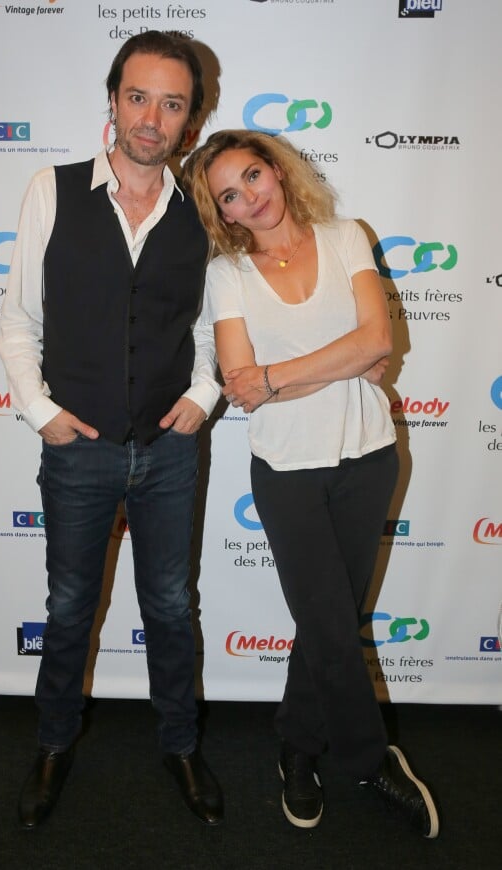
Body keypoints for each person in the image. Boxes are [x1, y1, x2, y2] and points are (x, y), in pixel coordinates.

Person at [182, 129, 439, 838]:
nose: (248, 198)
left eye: (253, 176)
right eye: (228, 195)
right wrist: (335, 361)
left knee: (325, 625)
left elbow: (378, 342)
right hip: (287, 472)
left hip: (369, 458)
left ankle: (297, 747)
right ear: (222, 213)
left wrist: (281, 373)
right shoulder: (227, 274)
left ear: (278, 171)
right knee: (329, 622)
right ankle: (369, 759)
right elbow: (244, 387)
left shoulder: (346, 234)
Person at [0, 31, 224, 829]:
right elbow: (19, 320)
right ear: (114, 99)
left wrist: (204, 392)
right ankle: (54, 744)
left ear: (190, 118)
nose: (152, 118)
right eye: (138, 97)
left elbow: (211, 325)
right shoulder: (50, 190)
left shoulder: (203, 208)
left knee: (169, 604)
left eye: (171, 103)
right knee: (66, 608)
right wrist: (42, 414)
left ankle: (181, 743)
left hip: (170, 449)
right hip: (78, 449)